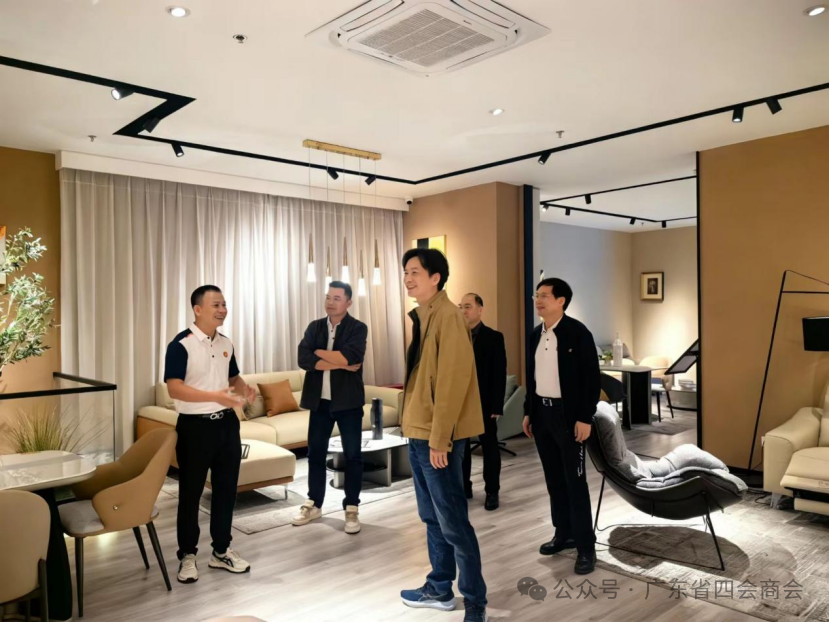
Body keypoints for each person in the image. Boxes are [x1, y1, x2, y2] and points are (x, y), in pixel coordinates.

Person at [399, 249, 488, 622]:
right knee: (432, 517)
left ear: (436, 277)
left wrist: (440, 439)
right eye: (406, 272)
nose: (408, 278)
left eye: (415, 272)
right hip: (419, 433)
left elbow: (452, 382)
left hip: (435, 438)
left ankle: (475, 601)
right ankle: (439, 588)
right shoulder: (426, 316)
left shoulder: (449, 317)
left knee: (452, 520)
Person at [164, 285, 256, 584]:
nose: (222, 310)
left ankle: (221, 551)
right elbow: (174, 388)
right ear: (198, 309)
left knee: (226, 491)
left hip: (227, 426)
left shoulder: (226, 343)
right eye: (216, 305)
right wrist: (215, 396)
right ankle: (187, 554)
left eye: (224, 304)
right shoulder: (181, 344)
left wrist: (245, 389)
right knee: (190, 494)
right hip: (195, 428)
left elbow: (232, 376)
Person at [524, 278, 601, 575]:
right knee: (554, 480)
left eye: (544, 296)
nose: (538, 300)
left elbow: (591, 379)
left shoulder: (578, 333)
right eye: (537, 295)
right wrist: (528, 412)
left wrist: (585, 417)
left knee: (575, 482)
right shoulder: (535, 334)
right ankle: (563, 534)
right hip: (542, 415)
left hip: (569, 417)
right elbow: (532, 377)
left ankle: (586, 547)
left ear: (561, 301)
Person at [295, 281, 368, 534]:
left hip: (348, 402)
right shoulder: (315, 327)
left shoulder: (358, 328)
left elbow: (351, 357)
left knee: (353, 456)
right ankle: (314, 503)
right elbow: (303, 358)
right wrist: (340, 364)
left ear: (348, 302)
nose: (330, 302)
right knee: (315, 454)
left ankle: (352, 507)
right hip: (319, 403)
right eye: (328, 297)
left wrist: (321, 353)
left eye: (336, 298)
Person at [459, 293, 507, 511]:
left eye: (468, 306)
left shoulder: (494, 337)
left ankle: (492, 491)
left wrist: (497, 404)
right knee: (461, 448)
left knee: (490, 447)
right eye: (461, 306)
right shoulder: (455, 336)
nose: (463, 310)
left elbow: (499, 373)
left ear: (480, 309)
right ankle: (464, 487)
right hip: (459, 402)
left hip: (485, 402)